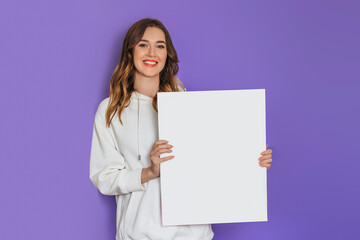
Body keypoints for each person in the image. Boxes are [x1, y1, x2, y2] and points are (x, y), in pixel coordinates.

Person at [89, 18, 273, 240]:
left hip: (194, 234)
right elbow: (105, 178)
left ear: (167, 54)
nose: (152, 53)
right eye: (143, 44)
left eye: (160, 46)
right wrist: (149, 172)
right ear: (130, 51)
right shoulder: (111, 110)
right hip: (139, 235)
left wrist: (251, 160)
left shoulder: (184, 102)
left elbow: (212, 159)